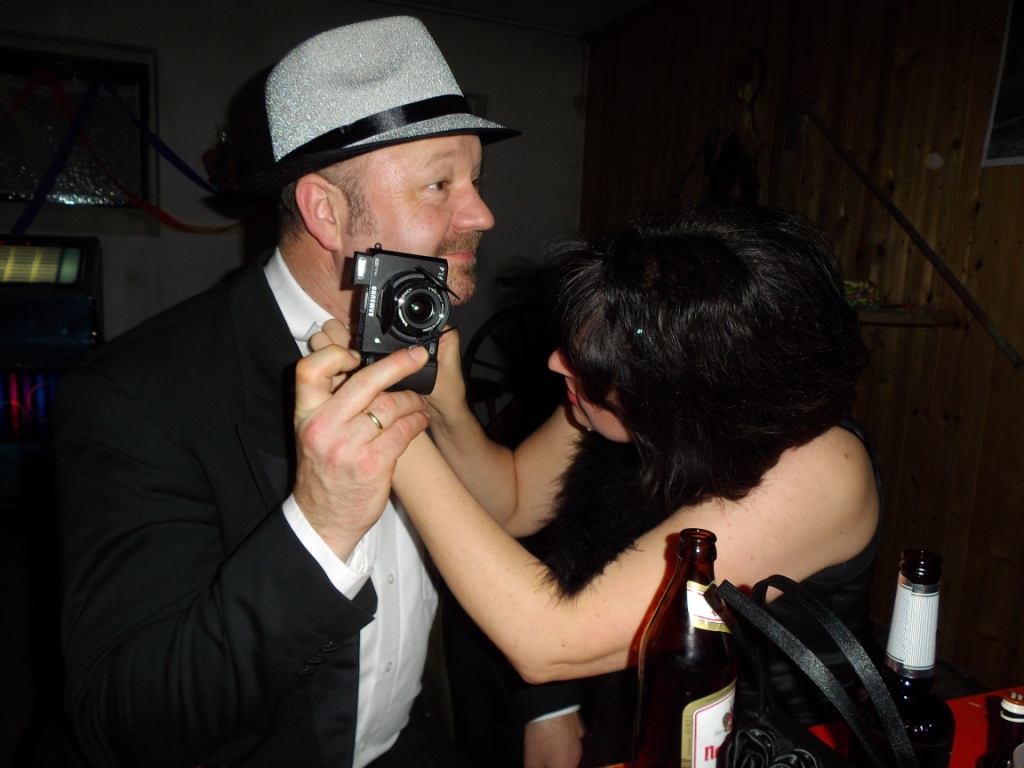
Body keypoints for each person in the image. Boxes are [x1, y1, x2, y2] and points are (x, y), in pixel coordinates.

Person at [52, 16, 587, 768]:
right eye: (440, 184)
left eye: (476, 181)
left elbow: (488, 519)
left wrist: (548, 700)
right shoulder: (138, 397)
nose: (482, 215)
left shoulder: (421, 328)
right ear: (326, 212)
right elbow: (124, 721)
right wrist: (320, 523)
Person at [300, 200, 879, 765]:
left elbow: (549, 641)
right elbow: (514, 501)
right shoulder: (628, 402)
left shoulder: (824, 468)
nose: (557, 363)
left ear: (692, 380)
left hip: (770, 749)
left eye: (594, 362)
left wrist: (383, 425)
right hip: (642, 732)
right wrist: (443, 407)